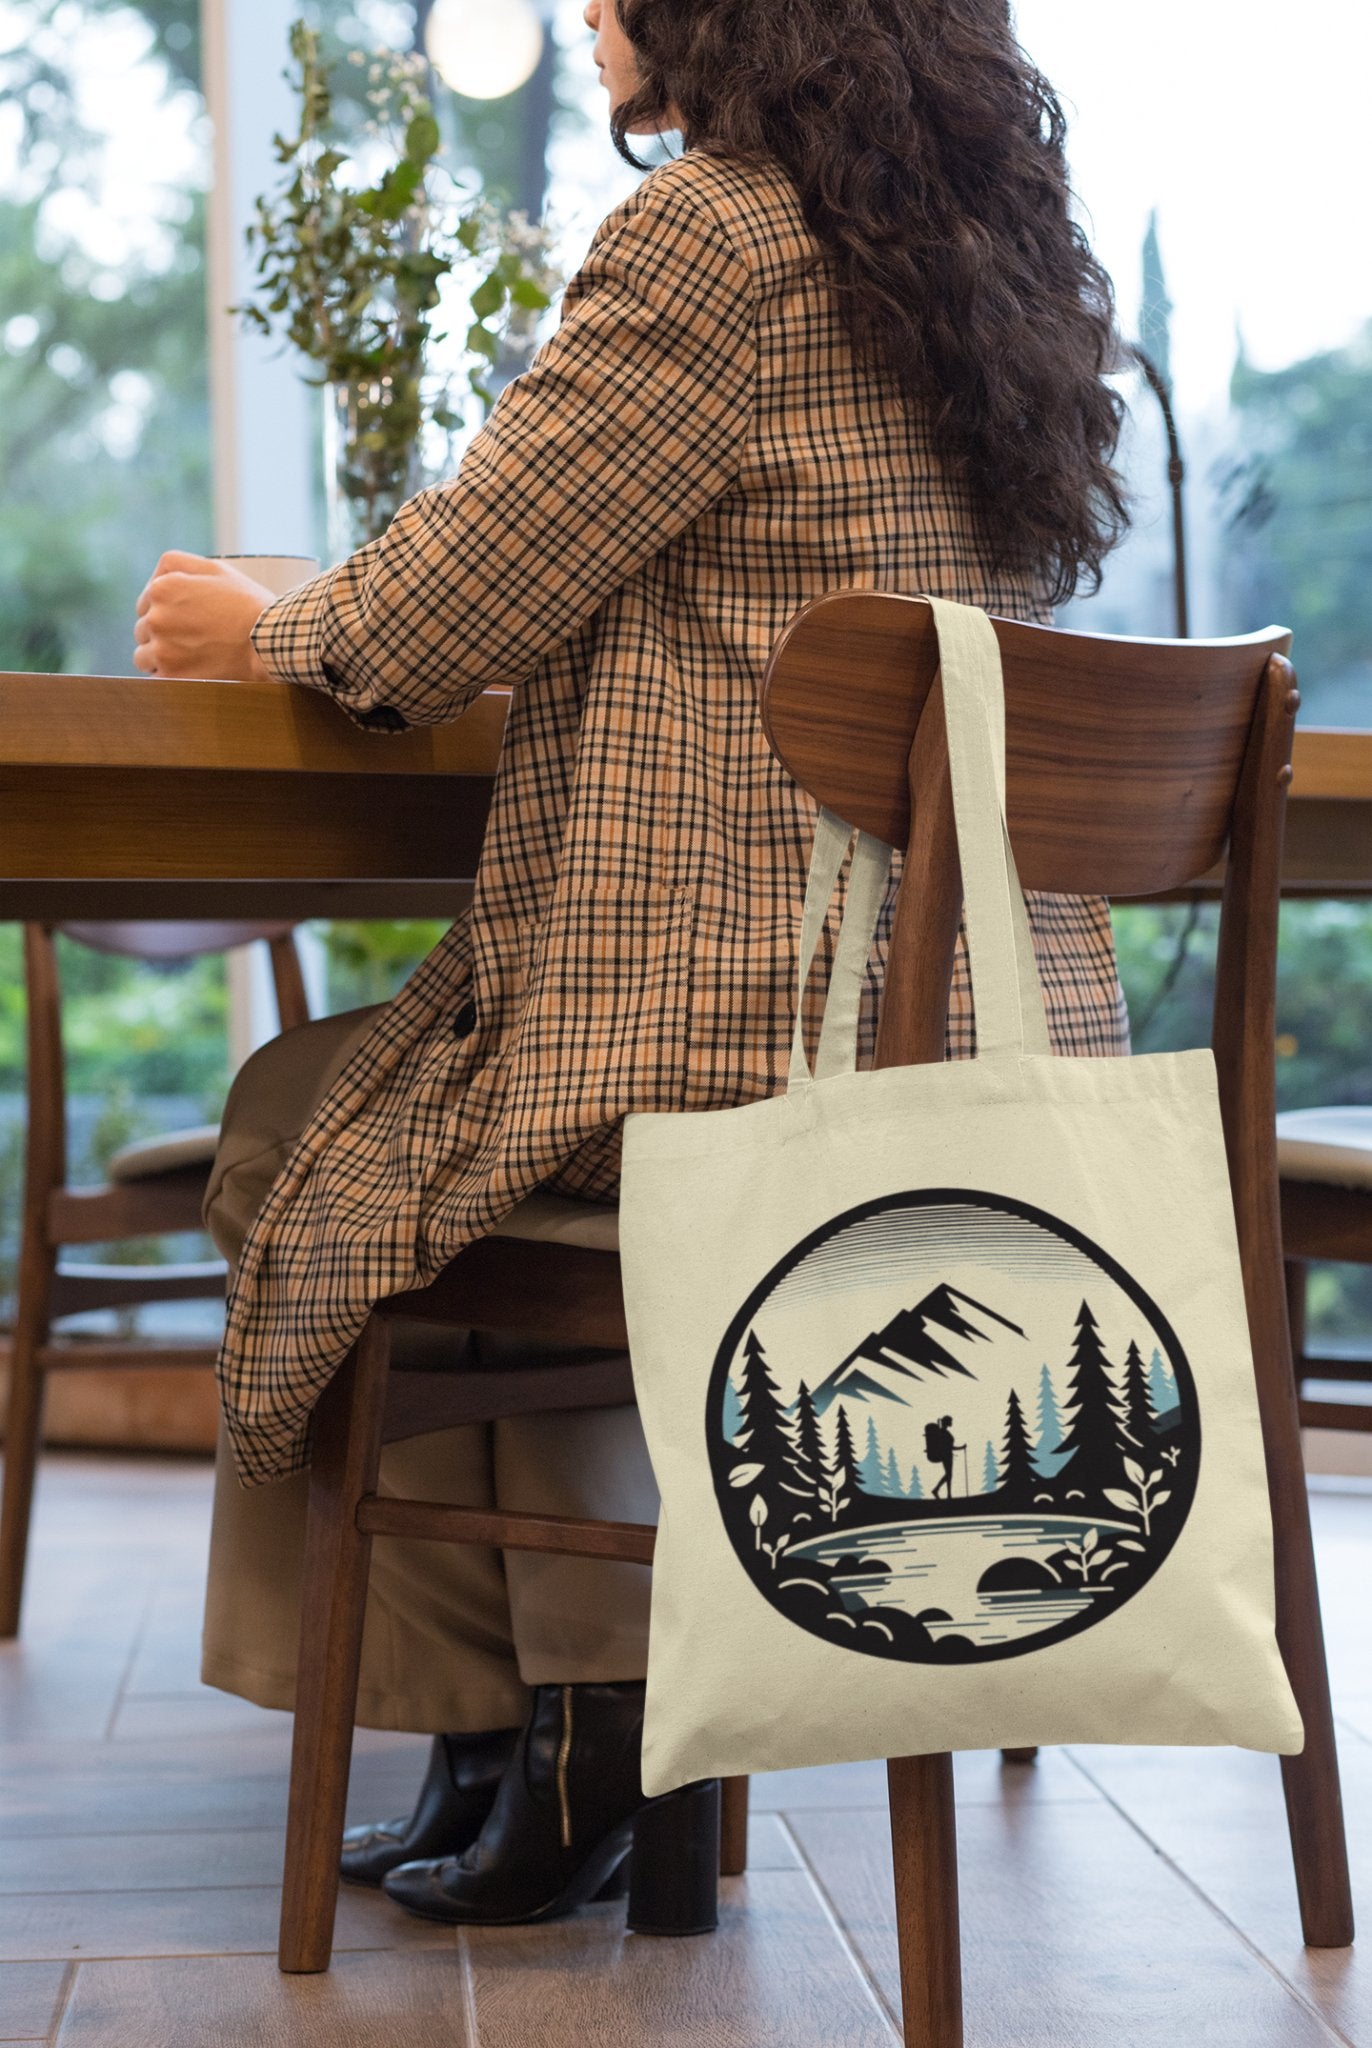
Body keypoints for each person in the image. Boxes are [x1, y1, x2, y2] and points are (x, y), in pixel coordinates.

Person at [134, 0, 1130, 1928]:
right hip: (947, 1035)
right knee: (437, 1113)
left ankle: (535, 1713)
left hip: (736, 1025)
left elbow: (447, 605)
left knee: (305, 1120)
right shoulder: (968, 271)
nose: (587, 5)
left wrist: (271, 621)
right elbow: (680, 582)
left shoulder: (714, 233)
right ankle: (558, 1735)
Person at [926, 1417, 965, 1502]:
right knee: (949, 1474)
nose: (951, 1422)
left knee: (949, 1475)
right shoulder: (943, 1432)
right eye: (950, 1421)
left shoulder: (944, 1432)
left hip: (947, 1455)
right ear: (947, 1422)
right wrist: (961, 1447)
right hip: (946, 1456)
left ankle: (945, 1493)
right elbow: (949, 1447)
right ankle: (942, 1492)